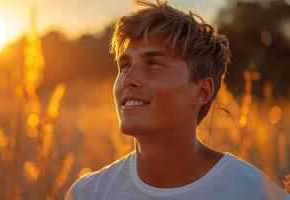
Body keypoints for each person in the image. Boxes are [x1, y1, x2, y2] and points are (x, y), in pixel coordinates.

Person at [65, 0, 289, 199]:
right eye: (124, 66)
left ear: (201, 91)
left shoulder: (255, 193)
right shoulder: (87, 193)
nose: (128, 79)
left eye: (153, 64)